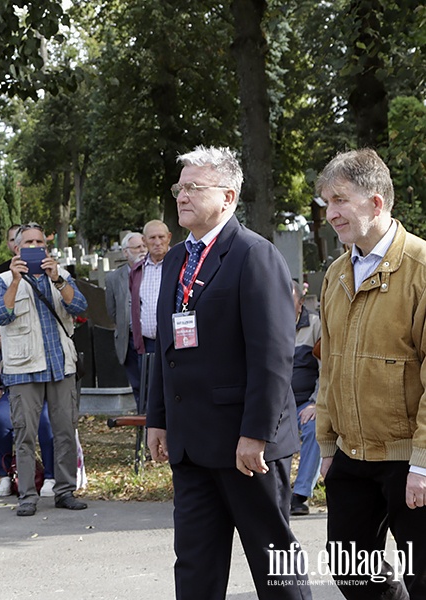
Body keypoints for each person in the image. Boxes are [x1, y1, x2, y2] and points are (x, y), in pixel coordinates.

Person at [146, 146, 309, 599]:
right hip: (191, 445)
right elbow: (167, 346)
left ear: (229, 196)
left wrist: (255, 433)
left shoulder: (255, 255)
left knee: (276, 568)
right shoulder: (176, 259)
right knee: (195, 567)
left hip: (246, 447)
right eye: (180, 187)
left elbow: (273, 356)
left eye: (195, 187)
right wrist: (157, 417)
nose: (182, 195)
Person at [315, 148, 426, 598]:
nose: (330, 213)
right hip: (352, 458)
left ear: (376, 202)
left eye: (339, 200)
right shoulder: (337, 273)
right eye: (326, 202)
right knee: (351, 571)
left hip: (410, 461)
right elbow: (330, 366)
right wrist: (326, 445)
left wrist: (423, 462)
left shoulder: (420, 268)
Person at [0, 222, 89, 517]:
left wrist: (58, 280)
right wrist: (17, 281)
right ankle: (28, 496)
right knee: (24, 434)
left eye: (40, 243)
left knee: (64, 431)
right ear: (17, 248)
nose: (35, 248)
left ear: (47, 247)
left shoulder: (62, 275)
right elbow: (0, 315)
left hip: (60, 365)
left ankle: (65, 490)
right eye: (28, 243)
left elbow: (80, 308)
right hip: (22, 368)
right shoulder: (4, 279)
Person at [0, 322, 55, 497]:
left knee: (45, 419)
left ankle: (50, 477)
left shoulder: (19, 339)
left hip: (34, 391)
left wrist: (0, 387)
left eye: (0, 329)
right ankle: (5, 475)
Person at [128, 220, 171, 409]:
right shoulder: (138, 270)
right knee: (150, 399)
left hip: (172, 342)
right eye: (152, 238)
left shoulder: (179, 265)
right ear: (144, 241)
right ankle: (150, 438)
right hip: (147, 344)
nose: (157, 242)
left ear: (169, 238)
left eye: (161, 237)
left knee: (173, 394)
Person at [289, 280, 321, 516]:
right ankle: (272, 492)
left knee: (314, 427)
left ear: (301, 301)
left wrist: (317, 402)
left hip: (304, 402)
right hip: (276, 404)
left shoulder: (315, 325)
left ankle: (300, 494)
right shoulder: (266, 321)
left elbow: (326, 368)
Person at [106, 232, 146, 397]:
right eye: (137, 247)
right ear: (125, 252)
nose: (142, 250)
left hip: (150, 337)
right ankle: (140, 420)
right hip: (128, 339)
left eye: (144, 246)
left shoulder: (153, 271)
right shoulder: (114, 278)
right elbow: (112, 311)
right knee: (136, 385)